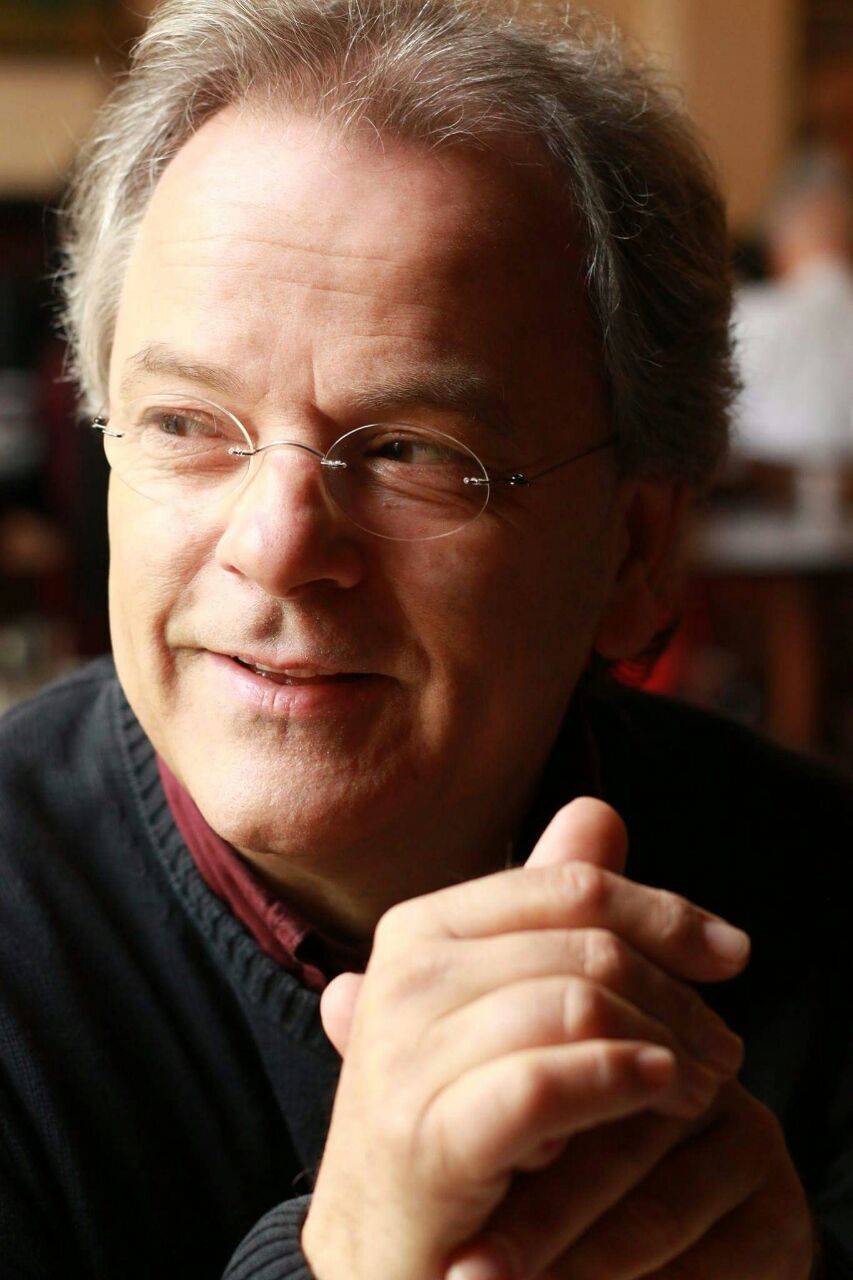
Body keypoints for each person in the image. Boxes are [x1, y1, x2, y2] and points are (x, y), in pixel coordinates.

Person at [0, 1, 850, 1277]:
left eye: (410, 449)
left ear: (633, 551)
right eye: (185, 423)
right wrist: (344, 1256)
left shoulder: (823, 907)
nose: (277, 544)